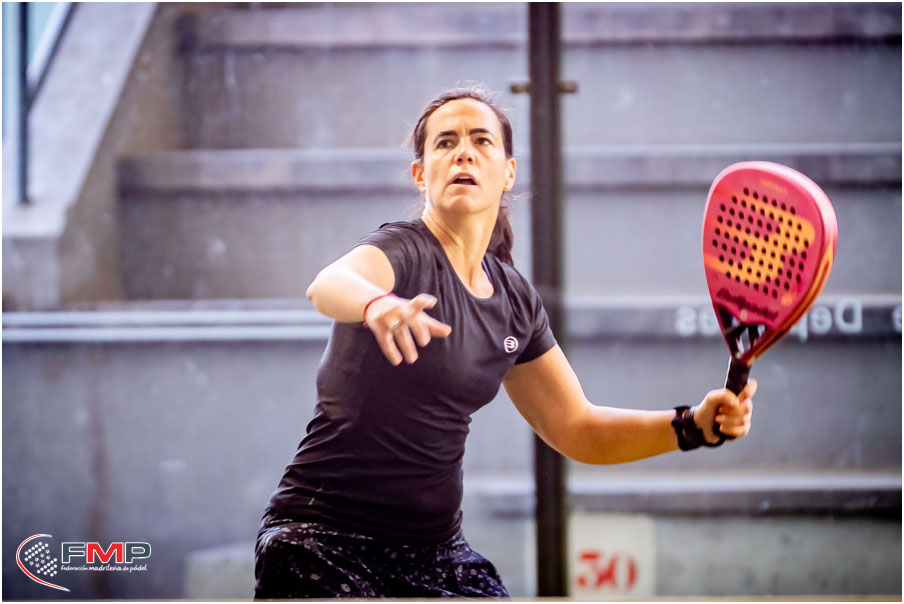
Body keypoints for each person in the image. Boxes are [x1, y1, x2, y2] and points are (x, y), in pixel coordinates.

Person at [254, 87, 756, 599]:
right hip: (324, 543)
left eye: (481, 141)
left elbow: (577, 428)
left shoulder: (514, 300)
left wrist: (691, 425)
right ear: (421, 174)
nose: (463, 153)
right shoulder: (401, 251)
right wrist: (376, 304)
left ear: (508, 172)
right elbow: (328, 284)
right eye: (445, 142)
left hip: (436, 557)